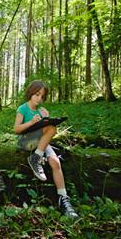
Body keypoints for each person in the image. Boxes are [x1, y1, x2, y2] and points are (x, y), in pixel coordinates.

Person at [14, 80, 78, 218]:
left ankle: (63, 198)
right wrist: (32, 122)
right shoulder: (22, 109)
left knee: (55, 161)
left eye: (42, 96)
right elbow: (16, 129)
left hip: (40, 144)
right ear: (30, 93)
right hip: (25, 141)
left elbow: (45, 132)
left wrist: (46, 118)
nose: (39, 98)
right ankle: (35, 158)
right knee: (51, 128)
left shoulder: (41, 111)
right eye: (37, 94)